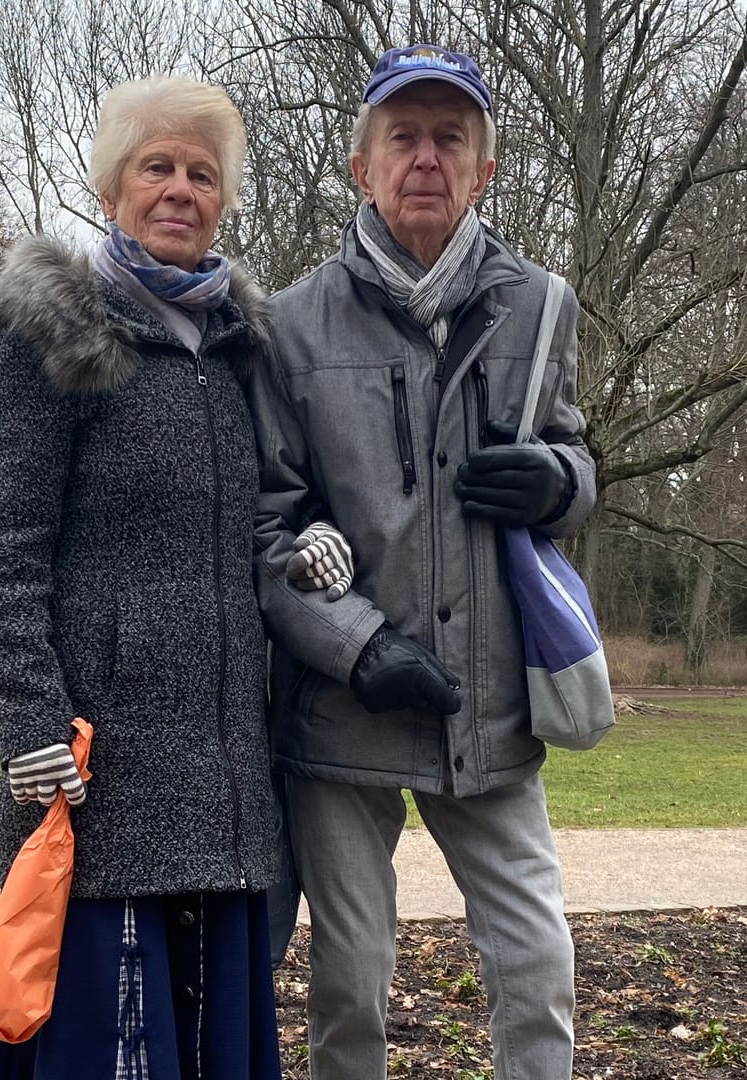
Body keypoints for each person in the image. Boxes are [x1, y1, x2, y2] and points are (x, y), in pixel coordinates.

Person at [0, 76, 345, 1080]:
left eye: (202, 173)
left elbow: (264, 514)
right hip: (101, 775)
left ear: (223, 198)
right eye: (158, 166)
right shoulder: (58, 330)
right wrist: (31, 726)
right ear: (112, 186)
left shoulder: (240, 349)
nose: (180, 188)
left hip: (226, 776)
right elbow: (5, 547)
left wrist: (302, 545)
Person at [246, 44, 597, 1080]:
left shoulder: (542, 305)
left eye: (452, 139)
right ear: (362, 165)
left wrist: (562, 481)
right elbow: (269, 529)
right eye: (404, 137)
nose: (427, 159)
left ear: (485, 169)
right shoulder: (289, 322)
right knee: (351, 976)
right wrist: (357, 648)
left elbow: (574, 449)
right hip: (347, 710)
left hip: (489, 707)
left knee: (539, 962)